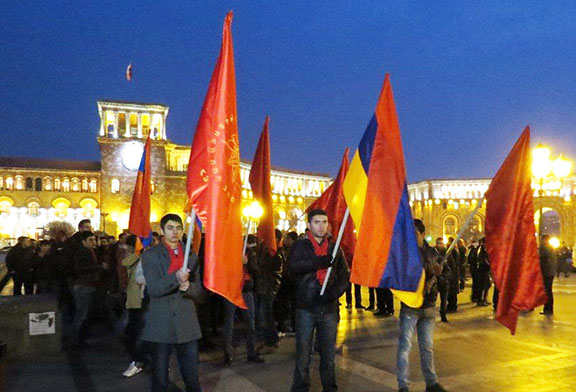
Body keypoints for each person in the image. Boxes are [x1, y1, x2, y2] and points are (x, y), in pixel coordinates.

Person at [140, 213, 203, 392]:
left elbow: (200, 292)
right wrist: (176, 279)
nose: (174, 232)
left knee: (192, 376)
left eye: (178, 228)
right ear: (161, 230)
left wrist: (189, 288)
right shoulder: (151, 256)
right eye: (170, 228)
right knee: (160, 377)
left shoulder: (191, 255)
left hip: (186, 322)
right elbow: (154, 289)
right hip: (161, 322)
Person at [289, 209, 350, 392]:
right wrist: (319, 262)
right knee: (303, 355)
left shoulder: (334, 247)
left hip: (328, 309)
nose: (321, 226)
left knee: (328, 356)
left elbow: (344, 276)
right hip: (306, 308)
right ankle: (300, 388)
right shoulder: (301, 246)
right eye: (317, 222)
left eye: (324, 222)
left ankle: (330, 388)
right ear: (309, 225)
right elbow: (293, 268)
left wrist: (333, 294)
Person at [396, 219, 447, 392]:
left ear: (423, 234)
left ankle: (431, 382)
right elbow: (406, 272)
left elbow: (445, 271)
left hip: (429, 306)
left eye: (415, 234)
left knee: (427, 347)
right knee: (405, 347)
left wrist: (439, 274)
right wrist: (428, 269)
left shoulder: (433, 251)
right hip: (410, 307)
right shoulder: (405, 252)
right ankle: (403, 385)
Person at [222, 234, 264, 365]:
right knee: (228, 324)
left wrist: (247, 263)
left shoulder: (248, 252)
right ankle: (227, 354)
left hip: (246, 290)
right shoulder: (225, 251)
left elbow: (257, 271)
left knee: (250, 323)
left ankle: (252, 352)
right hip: (230, 290)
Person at [70, 231, 106, 348]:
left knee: (85, 313)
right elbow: (80, 268)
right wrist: (99, 267)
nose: (93, 242)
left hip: (89, 285)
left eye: (94, 239)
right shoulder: (82, 252)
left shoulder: (92, 251)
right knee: (81, 313)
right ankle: (74, 339)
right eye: (90, 240)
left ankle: (81, 338)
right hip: (83, 285)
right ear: (83, 242)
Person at [121, 234, 147, 378]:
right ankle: (138, 360)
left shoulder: (144, 257)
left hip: (142, 300)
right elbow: (125, 263)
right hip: (134, 299)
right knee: (132, 332)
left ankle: (140, 361)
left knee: (137, 332)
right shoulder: (133, 257)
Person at [255, 229, 284, 355]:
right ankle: (273, 339)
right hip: (264, 287)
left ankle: (270, 342)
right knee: (267, 315)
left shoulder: (275, 254)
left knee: (265, 316)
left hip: (268, 287)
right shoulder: (265, 251)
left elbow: (263, 270)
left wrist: (250, 263)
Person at [539, 234, 556, 315]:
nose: (540, 241)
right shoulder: (551, 248)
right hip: (550, 272)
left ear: (544, 240)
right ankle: (549, 309)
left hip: (546, 272)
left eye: (541, 239)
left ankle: (547, 309)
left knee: (547, 291)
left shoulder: (544, 249)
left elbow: (540, 259)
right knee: (549, 291)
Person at [434, 238, 449, 322]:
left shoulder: (447, 253)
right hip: (435, 281)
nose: (440, 245)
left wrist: (445, 277)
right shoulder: (432, 253)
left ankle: (443, 314)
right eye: (438, 243)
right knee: (433, 299)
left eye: (441, 243)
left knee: (444, 300)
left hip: (444, 281)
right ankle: (432, 315)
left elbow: (449, 267)